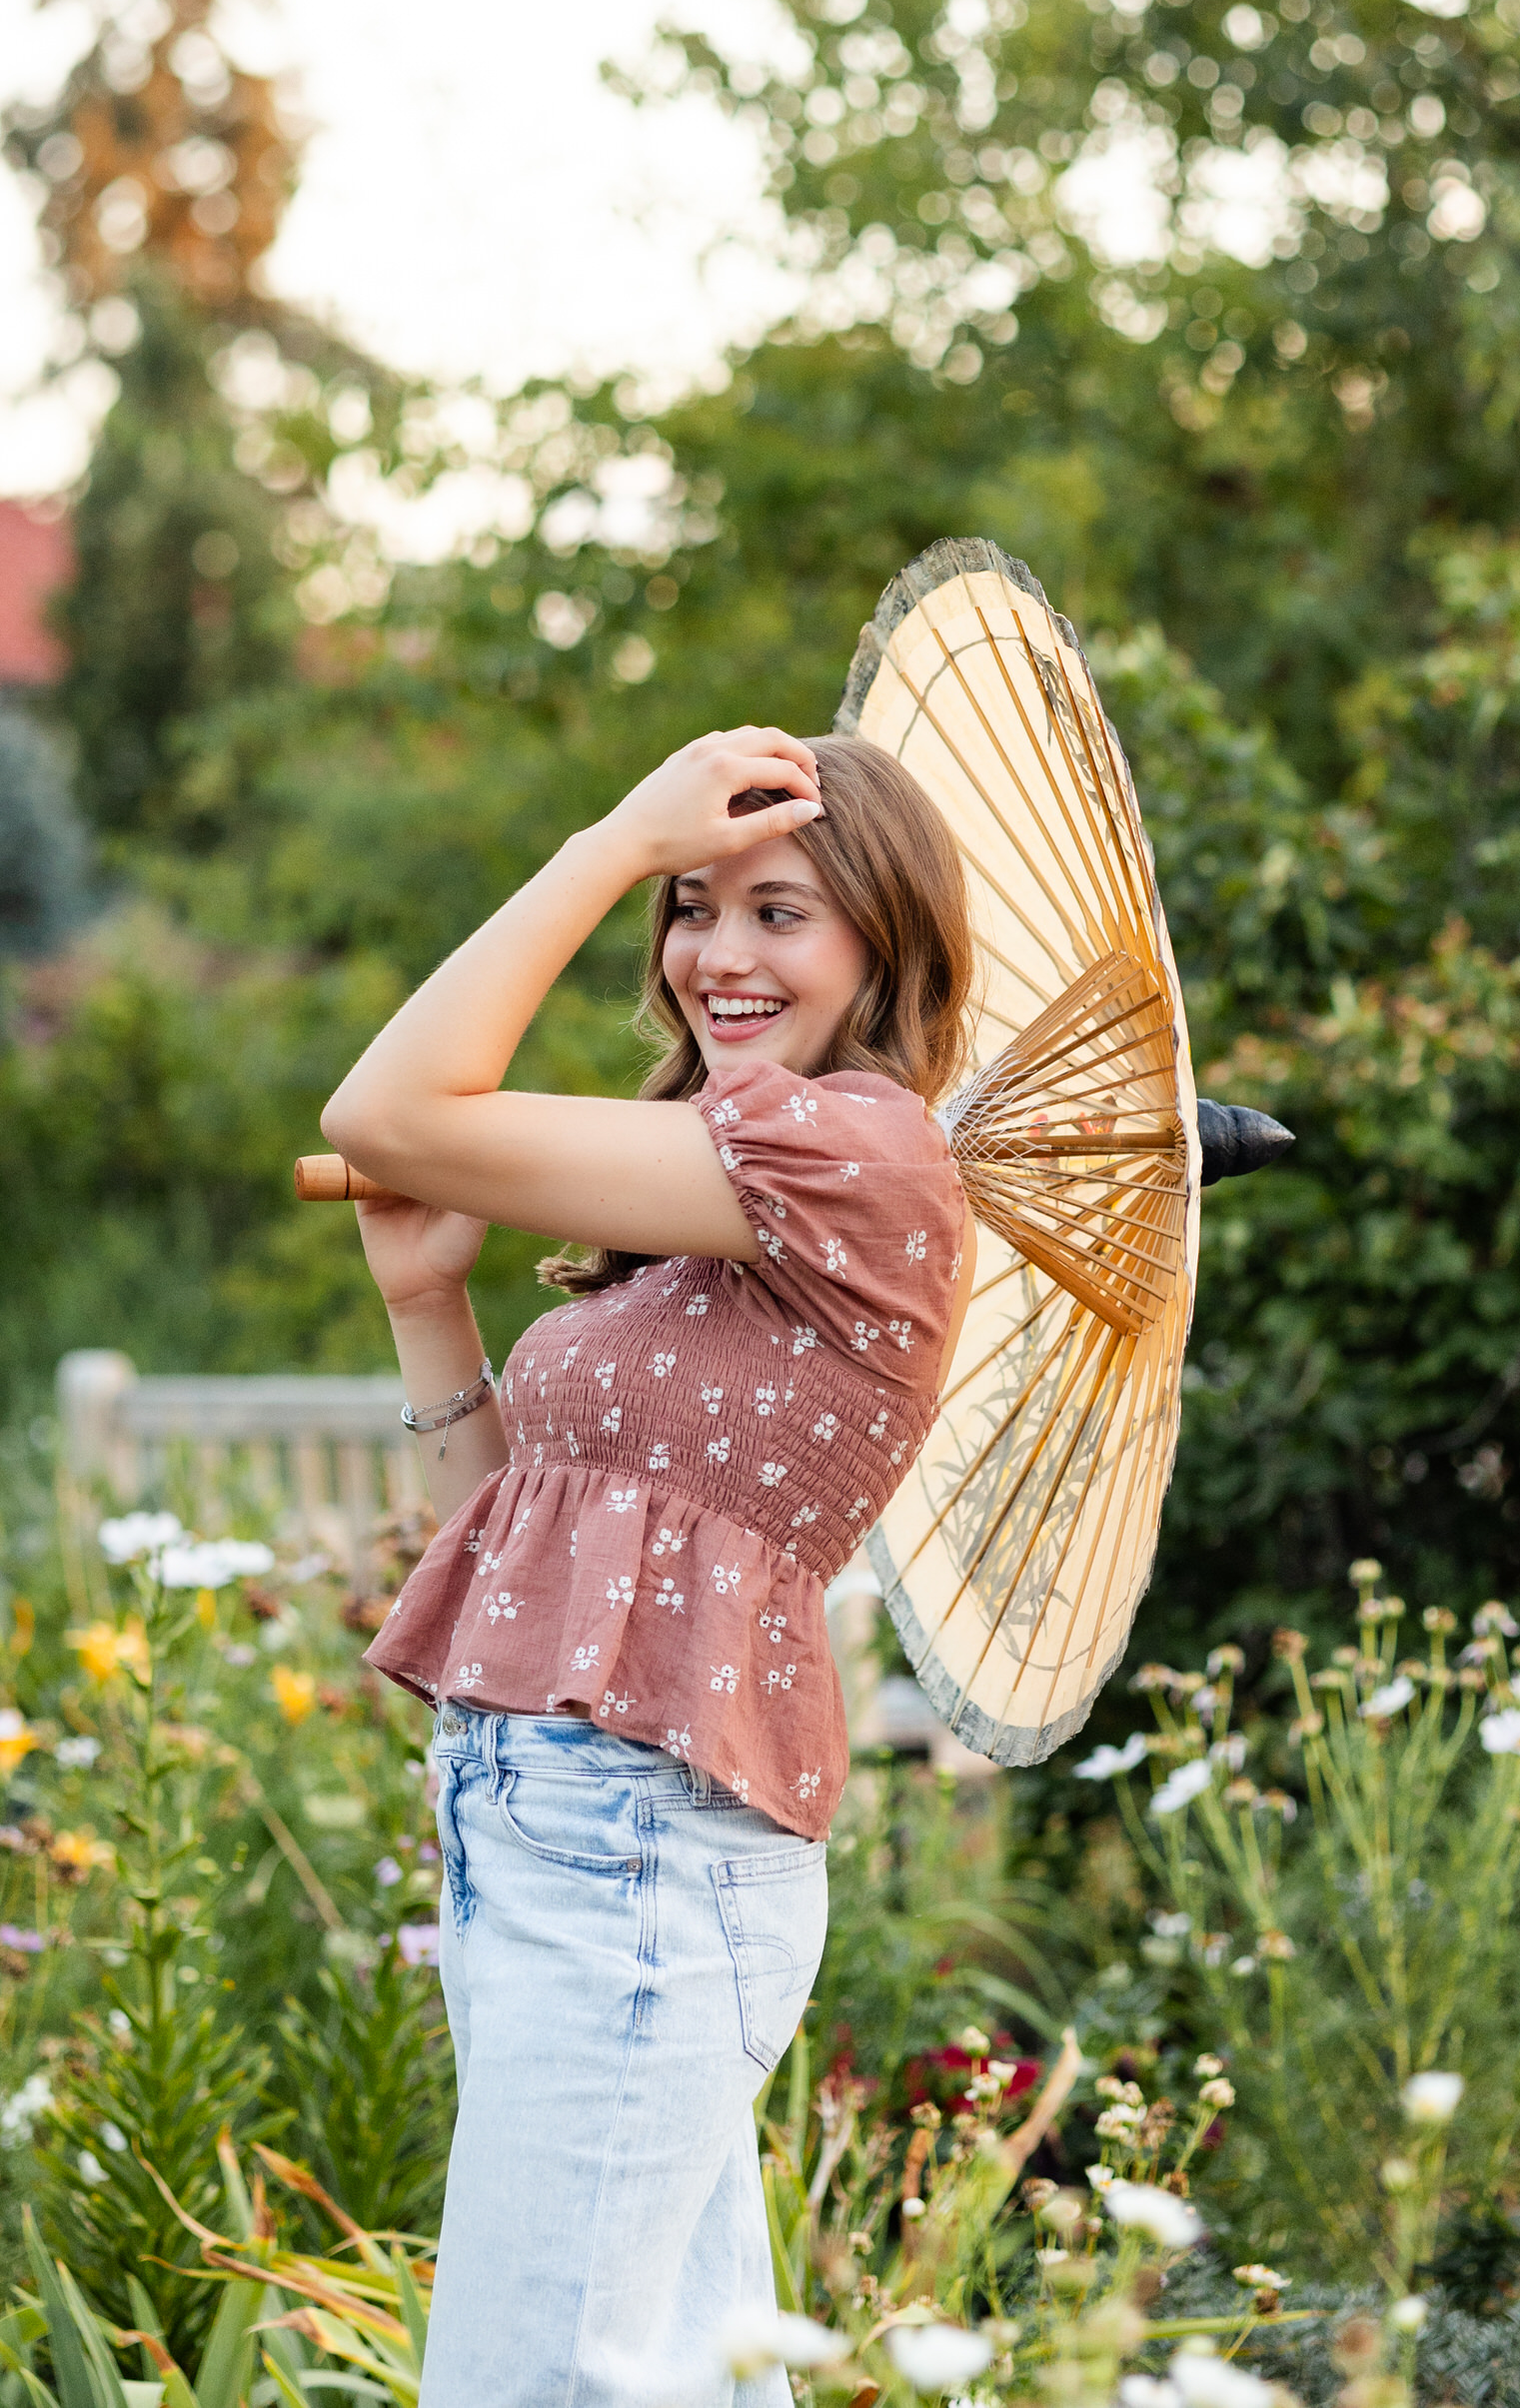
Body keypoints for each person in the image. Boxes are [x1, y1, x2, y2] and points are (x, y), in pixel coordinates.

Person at [321, 726, 977, 2405]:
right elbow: (518, 1564)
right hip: (556, 1833)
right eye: (691, 906)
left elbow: (386, 1106)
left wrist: (611, 840)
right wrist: (428, 1305)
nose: (717, 954)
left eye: (782, 914)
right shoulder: (712, 1200)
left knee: (524, 2384)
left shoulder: (862, 1158)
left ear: (884, 946)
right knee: (667, 2380)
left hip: (642, 1856)